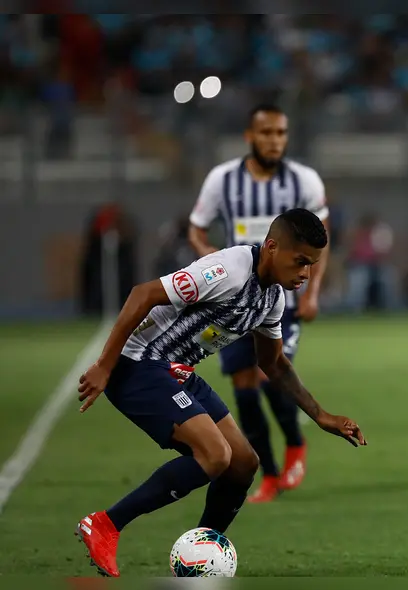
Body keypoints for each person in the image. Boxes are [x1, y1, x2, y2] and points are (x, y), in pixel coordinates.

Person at [75, 209, 365, 578]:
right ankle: (105, 525)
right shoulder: (228, 270)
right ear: (273, 248)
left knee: (243, 463)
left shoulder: (271, 298)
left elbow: (273, 364)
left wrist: (321, 415)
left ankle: (201, 554)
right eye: (300, 262)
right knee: (215, 455)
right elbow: (143, 293)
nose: (305, 274)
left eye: (311, 265)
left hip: (177, 372)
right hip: (137, 364)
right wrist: (104, 364)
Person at [188, 103, 331, 503]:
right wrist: (214, 259)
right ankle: (267, 473)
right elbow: (196, 229)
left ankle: (294, 442)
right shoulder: (223, 180)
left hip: (282, 300)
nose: (275, 141)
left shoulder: (304, 180)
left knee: (271, 376)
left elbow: (324, 239)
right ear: (250, 136)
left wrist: (313, 292)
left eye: (281, 133)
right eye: (267, 133)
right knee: (244, 384)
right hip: (235, 302)